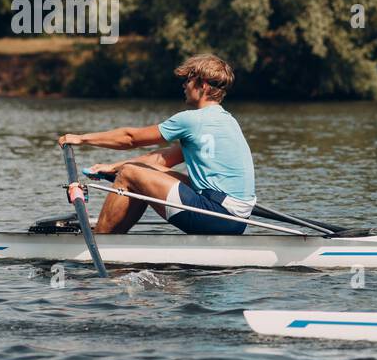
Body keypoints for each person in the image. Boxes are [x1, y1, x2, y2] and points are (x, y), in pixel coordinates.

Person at [57, 54, 255, 236]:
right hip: (234, 219)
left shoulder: (191, 120)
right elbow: (161, 159)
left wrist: (82, 139)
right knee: (135, 171)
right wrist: (112, 167)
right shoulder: (227, 121)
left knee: (129, 173)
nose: (184, 86)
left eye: (188, 80)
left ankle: (101, 238)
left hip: (217, 216)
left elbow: (130, 138)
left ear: (202, 85)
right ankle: (112, 234)